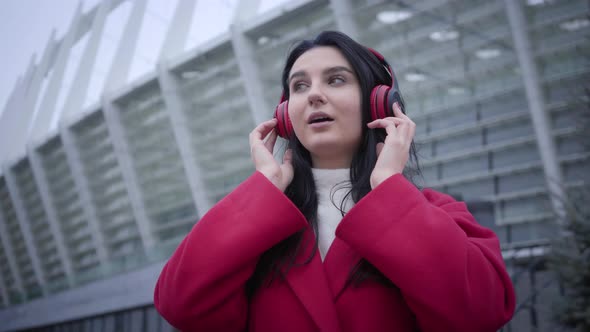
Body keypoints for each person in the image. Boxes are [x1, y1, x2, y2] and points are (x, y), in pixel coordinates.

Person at [154, 30, 516, 332]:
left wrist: (388, 182)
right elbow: (181, 305)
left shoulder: (439, 213)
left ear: (378, 104)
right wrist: (264, 184)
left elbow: (480, 314)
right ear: (285, 116)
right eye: (299, 86)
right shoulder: (255, 225)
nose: (313, 94)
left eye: (336, 79)